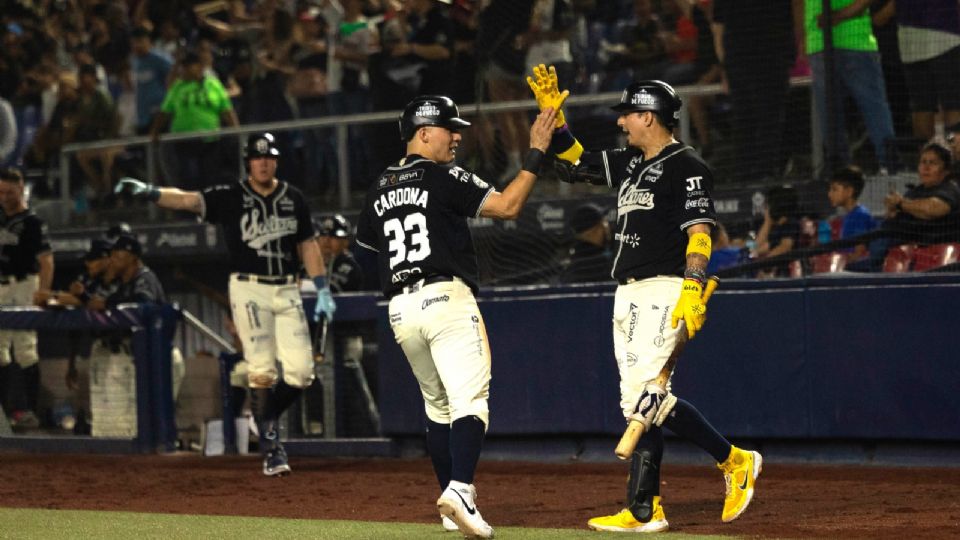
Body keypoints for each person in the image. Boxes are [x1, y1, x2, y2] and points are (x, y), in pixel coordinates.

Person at [527, 66, 761, 532]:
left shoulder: (686, 166)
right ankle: (643, 510)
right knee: (637, 400)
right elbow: (579, 164)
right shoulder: (633, 163)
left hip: (664, 287)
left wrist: (693, 286)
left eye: (629, 114)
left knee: (647, 398)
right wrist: (553, 116)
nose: (621, 121)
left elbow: (700, 232)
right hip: (629, 291)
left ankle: (733, 460)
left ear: (650, 118)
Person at [355, 95, 556, 538]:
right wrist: (536, 150)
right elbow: (507, 207)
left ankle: (450, 506)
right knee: (471, 400)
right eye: (449, 127)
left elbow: (368, 246)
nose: (458, 135)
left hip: (401, 310)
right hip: (445, 297)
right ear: (423, 133)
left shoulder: (379, 184)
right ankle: (460, 491)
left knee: (438, 407)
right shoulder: (442, 175)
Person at [115, 132, 336, 477]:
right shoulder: (232, 195)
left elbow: (308, 245)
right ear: (248, 162)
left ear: (275, 161)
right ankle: (272, 448)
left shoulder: (294, 198)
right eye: (257, 157)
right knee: (261, 369)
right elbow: (188, 201)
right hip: (249, 288)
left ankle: (266, 418)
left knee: (301, 373)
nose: (263, 162)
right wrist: (151, 192)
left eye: (269, 157)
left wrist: (321, 288)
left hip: (287, 288)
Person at [797, 0, 900, 175]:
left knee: (842, 112)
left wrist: (838, 17)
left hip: (836, 42)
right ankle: (882, 167)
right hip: (839, 43)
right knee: (868, 109)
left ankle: (847, 171)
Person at [0, 168, 54, 430]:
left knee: (25, 348)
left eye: (9, 191)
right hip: (0, 284)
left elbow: (46, 261)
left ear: (21, 188)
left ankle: (29, 410)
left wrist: (43, 292)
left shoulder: (33, 222)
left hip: (23, 283)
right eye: (0, 191)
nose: (4, 196)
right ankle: (4, 412)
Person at [883, 141, 960, 245]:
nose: (926, 167)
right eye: (923, 162)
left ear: (946, 170)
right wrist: (892, 210)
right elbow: (893, 218)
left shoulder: (950, 189)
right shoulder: (913, 192)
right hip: (905, 252)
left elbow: (933, 209)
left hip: (940, 255)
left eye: (933, 163)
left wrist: (900, 204)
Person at [825, 166, 876, 264]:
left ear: (849, 191)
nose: (829, 194)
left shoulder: (860, 216)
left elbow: (858, 254)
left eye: (834, 189)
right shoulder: (848, 216)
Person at [559, 203, 613, 283]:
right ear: (594, 231)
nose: (607, 226)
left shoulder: (571, 266)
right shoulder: (608, 266)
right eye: (604, 221)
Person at [754, 185, 801, 277]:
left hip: (791, 276)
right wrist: (767, 222)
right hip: (778, 274)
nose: (767, 208)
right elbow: (757, 247)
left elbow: (785, 246)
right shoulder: (776, 227)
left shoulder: (792, 223)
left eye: (770, 204)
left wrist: (765, 264)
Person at [315, 214, 364, 293]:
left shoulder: (354, 268)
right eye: (323, 235)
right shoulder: (307, 264)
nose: (327, 240)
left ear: (345, 242)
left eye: (333, 236)